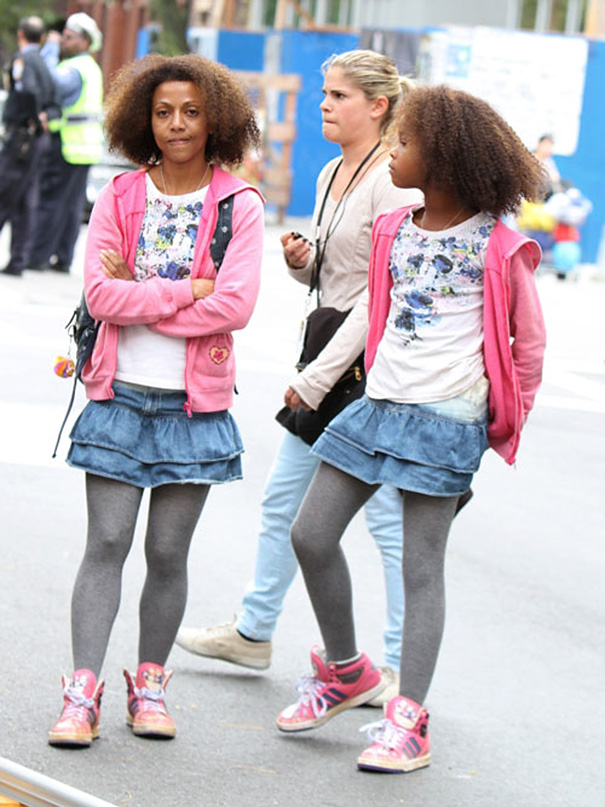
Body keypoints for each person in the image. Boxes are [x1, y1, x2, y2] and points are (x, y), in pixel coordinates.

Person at [275, 85, 547, 774]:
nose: (391, 152)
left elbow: (527, 345)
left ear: (444, 156)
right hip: (375, 406)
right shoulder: (395, 230)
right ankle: (346, 672)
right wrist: (315, 381)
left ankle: (409, 719)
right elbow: (374, 314)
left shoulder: (498, 244)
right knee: (309, 533)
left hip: (445, 419)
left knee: (420, 567)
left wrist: (498, 419)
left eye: (403, 142)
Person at [176, 49, 423, 705]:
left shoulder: (393, 181)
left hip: (368, 368)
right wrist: (300, 262)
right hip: (328, 353)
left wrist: (315, 378)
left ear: (377, 105)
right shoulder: (327, 174)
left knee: (389, 520)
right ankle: (254, 630)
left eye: (339, 95)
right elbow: (335, 278)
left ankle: (396, 666)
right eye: (323, 93)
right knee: (283, 501)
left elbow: (381, 295)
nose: (324, 104)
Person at [47, 53, 264, 748]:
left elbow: (236, 304)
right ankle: (82, 690)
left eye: (192, 112)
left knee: (168, 553)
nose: (177, 124)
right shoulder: (118, 197)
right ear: (145, 117)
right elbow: (100, 296)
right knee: (105, 542)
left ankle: (149, 682)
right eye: (164, 111)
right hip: (119, 395)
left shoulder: (239, 205)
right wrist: (186, 290)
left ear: (215, 121)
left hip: (193, 407)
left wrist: (145, 296)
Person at [27, 13, 104, 273]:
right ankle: (62, 257)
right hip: (83, 148)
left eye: (68, 37)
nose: (63, 42)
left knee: (50, 201)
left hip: (68, 146)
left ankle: (37, 256)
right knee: (71, 206)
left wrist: (48, 48)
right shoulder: (91, 68)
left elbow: (51, 86)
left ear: (85, 41)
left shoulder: (74, 69)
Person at [0, 16, 59, 277]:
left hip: (23, 138)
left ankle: (18, 259)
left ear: (21, 34)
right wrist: (44, 119)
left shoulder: (24, 59)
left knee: (4, 192)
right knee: (25, 200)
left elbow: (28, 91)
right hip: (37, 141)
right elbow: (55, 103)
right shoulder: (46, 65)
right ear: (42, 38)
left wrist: (34, 120)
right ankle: (18, 260)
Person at [534, 134, 561, 198]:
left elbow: (556, 177)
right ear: (540, 144)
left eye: (550, 147)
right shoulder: (530, 157)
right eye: (546, 145)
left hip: (547, 188)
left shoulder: (549, 161)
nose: (548, 149)